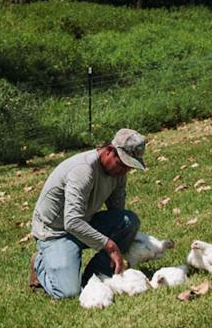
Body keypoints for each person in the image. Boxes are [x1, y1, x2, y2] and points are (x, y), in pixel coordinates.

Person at [29, 127, 147, 299]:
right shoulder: (82, 171)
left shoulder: (118, 172)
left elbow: (117, 211)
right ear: (109, 150)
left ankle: (96, 274)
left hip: (83, 222)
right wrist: (110, 246)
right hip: (56, 232)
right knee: (67, 292)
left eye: (129, 166)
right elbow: (71, 222)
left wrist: (125, 238)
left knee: (129, 221)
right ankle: (40, 263)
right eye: (122, 163)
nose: (124, 171)